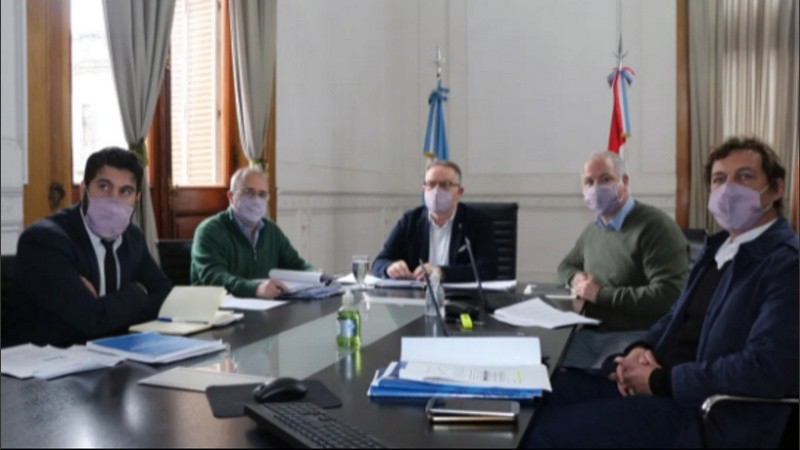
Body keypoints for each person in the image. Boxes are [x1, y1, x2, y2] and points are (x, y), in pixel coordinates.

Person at [528, 137, 798, 448]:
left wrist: (660, 380)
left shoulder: (786, 265)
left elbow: (767, 368)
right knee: (537, 392)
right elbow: (674, 315)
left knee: (542, 433)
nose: (729, 189)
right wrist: (642, 347)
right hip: (662, 383)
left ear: (776, 188)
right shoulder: (719, 248)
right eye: (719, 179)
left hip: (704, 412)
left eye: (745, 177)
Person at [2, 147, 172, 348]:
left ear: (137, 199)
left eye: (125, 191)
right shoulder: (45, 241)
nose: (114, 200)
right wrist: (138, 291)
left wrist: (104, 307)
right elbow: (93, 320)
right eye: (104, 186)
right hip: (41, 367)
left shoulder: (132, 236)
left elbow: (165, 296)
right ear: (83, 190)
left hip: (106, 357)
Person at [558, 151, 689, 368]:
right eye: (589, 182)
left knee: (570, 382)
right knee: (546, 368)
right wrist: (576, 279)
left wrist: (601, 295)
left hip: (637, 338)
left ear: (624, 181)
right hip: (591, 333)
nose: (596, 188)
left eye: (606, 179)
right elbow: (566, 266)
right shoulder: (595, 229)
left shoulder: (655, 227)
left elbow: (669, 295)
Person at [191, 166, 313, 298]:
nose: (256, 200)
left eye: (262, 194)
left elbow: (295, 264)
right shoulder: (209, 231)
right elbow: (214, 277)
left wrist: (317, 275)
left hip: (262, 310)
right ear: (231, 196)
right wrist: (255, 289)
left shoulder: (271, 230)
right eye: (248, 192)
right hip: (217, 312)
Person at [372, 160, 497, 282]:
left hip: (463, 299)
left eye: (445, 184)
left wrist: (441, 272)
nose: (436, 191)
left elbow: (488, 269)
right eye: (431, 184)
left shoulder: (479, 222)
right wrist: (389, 268)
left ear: (459, 192)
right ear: (424, 189)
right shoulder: (410, 221)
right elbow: (379, 262)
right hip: (417, 298)